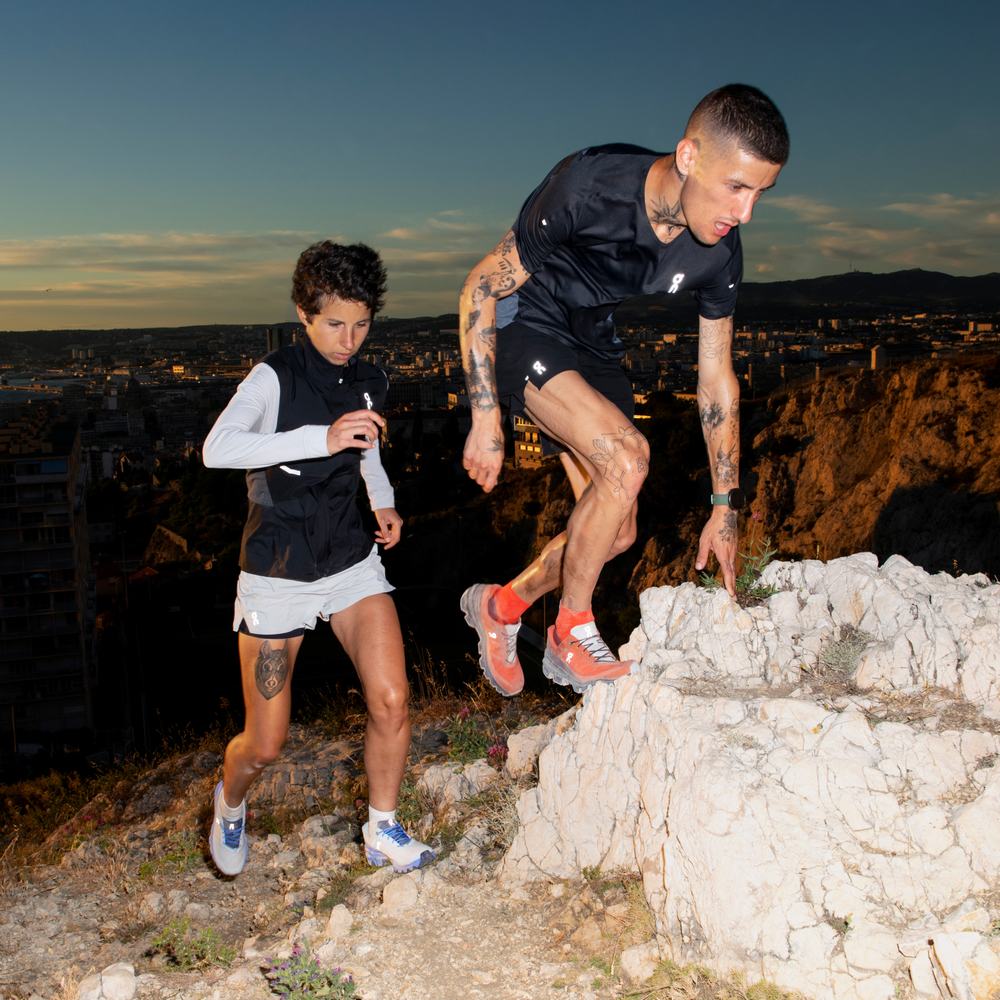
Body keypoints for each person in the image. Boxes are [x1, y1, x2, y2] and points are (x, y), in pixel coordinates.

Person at [458, 83, 789, 696]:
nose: (745, 214)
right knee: (627, 456)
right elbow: (480, 286)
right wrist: (485, 418)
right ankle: (570, 629)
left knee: (618, 530)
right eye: (736, 188)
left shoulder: (720, 252)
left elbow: (717, 379)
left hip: (592, 338)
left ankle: (500, 607)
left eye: (760, 194)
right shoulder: (588, 187)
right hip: (525, 319)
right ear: (688, 157)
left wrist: (725, 505)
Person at [202, 241, 434, 876]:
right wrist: (317, 437)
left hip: (351, 562)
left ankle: (382, 828)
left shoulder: (370, 379)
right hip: (277, 572)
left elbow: (369, 449)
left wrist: (381, 501)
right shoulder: (273, 377)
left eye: (361, 324)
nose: (348, 339)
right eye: (334, 322)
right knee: (266, 745)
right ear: (304, 313)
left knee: (392, 700)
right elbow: (216, 448)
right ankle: (229, 800)